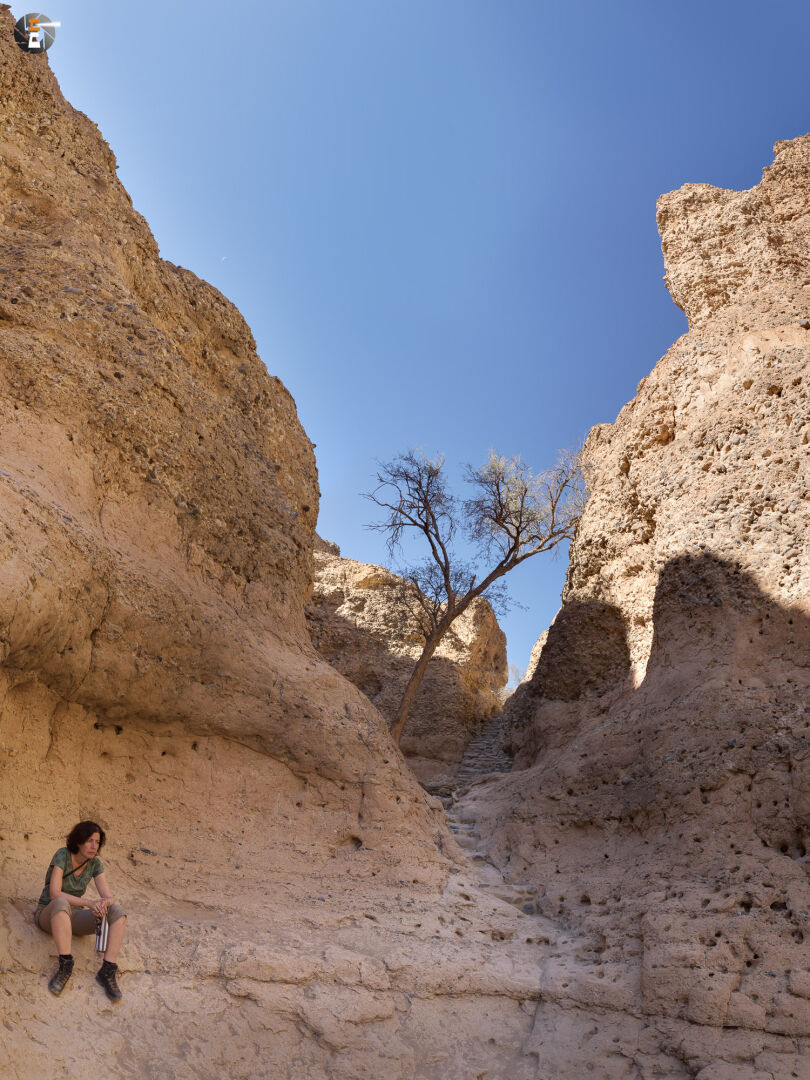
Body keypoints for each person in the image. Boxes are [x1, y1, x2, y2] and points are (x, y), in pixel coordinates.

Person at [35, 820, 127, 1000]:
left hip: (74, 917)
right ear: (78, 841)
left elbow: (110, 897)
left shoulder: (95, 864)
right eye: (89, 840)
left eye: (98, 842)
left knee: (118, 911)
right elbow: (54, 893)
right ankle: (65, 966)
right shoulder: (63, 855)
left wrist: (102, 905)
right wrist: (89, 902)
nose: (94, 846)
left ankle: (107, 970)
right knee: (61, 903)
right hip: (49, 913)